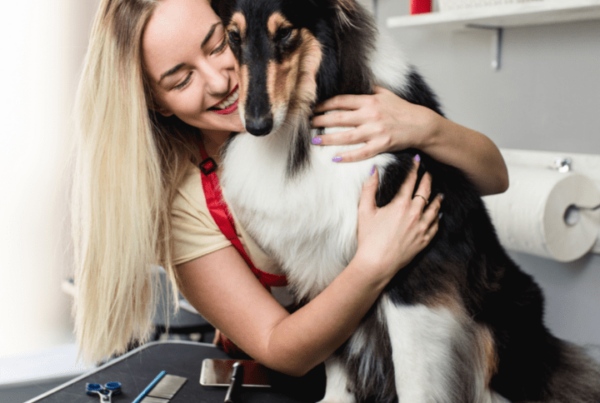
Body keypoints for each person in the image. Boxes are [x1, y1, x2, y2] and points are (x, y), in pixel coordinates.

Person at [73, 0, 508, 375]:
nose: (222, 81)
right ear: (153, 101)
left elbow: (493, 178)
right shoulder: (183, 205)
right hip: (296, 378)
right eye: (181, 80)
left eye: (219, 43)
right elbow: (278, 346)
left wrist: (424, 126)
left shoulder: (322, 89)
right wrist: (373, 263)